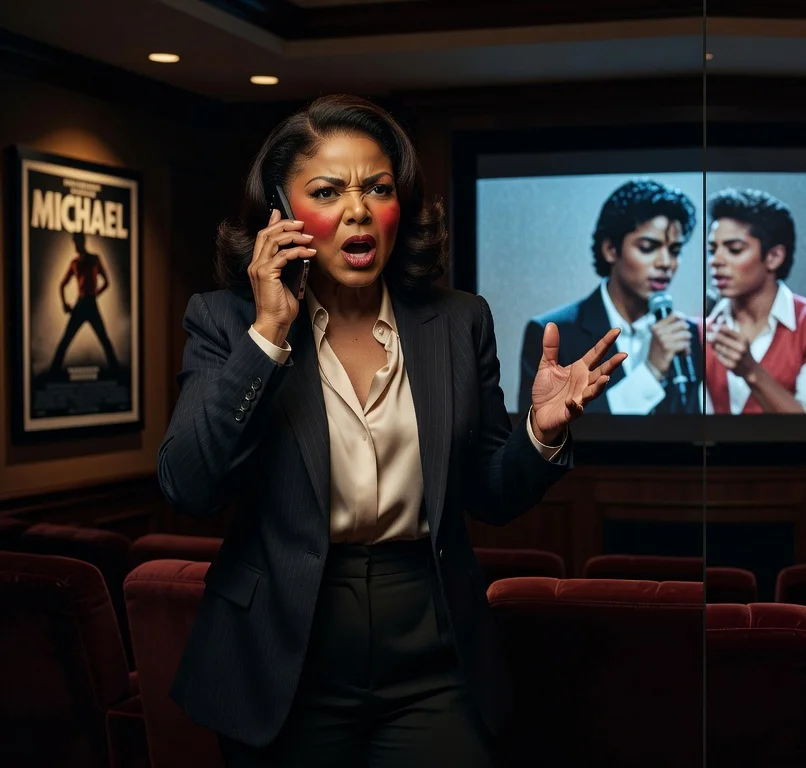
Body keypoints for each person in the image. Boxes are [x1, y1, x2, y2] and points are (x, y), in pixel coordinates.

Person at [156, 94, 623, 766]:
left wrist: (540, 433)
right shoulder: (226, 321)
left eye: (378, 188)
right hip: (285, 647)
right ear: (280, 216)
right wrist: (267, 335)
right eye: (327, 191)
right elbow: (189, 485)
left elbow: (490, 495)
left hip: (431, 644)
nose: (358, 209)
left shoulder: (459, 321)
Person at [519, 178, 703, 415]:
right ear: (610, 250)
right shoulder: (555, 333)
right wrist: (650, 373)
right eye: (648, 247)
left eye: (674, 251)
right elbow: (539, 433)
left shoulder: (687, 333)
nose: (666, 263)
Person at [703, 188, 806, 414]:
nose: (715, 261)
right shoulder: (701, 332)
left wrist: (752, 371)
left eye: (734, 249)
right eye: (712, 250)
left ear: (774, 257)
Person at [47, 232, 121, 377]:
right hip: (81, 304)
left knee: (104, 339)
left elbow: (106, 282)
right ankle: (53, 372)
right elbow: (62, 285)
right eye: (74, 242)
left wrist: (95, 294)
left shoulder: (94, 259)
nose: (75, 245)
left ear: (82, 242)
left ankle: (116, 370)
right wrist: (64, 304)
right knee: (66, 339)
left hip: (90, 303)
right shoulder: (75, 263)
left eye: (76, 241)